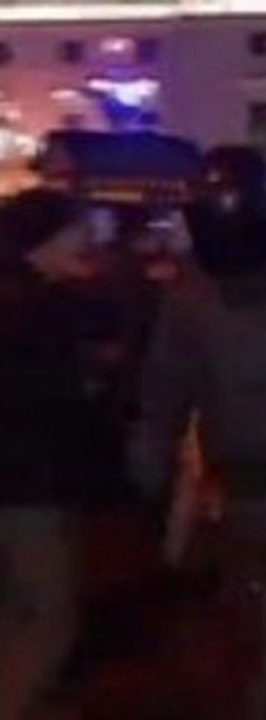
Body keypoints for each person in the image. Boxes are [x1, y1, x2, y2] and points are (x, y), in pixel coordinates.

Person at [130, 145, 266, 718]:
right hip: (238, 482)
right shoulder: (196, 285)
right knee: (256, 626)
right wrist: (151, 456)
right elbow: (170, 376)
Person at [0, 189, 107, 719]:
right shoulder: (37, 309)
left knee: (20, 611)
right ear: (41, 243)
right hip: (28, 484)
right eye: (77, 231)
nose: (89, 240)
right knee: (50, 618)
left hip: (32, 480)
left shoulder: (37, 299)